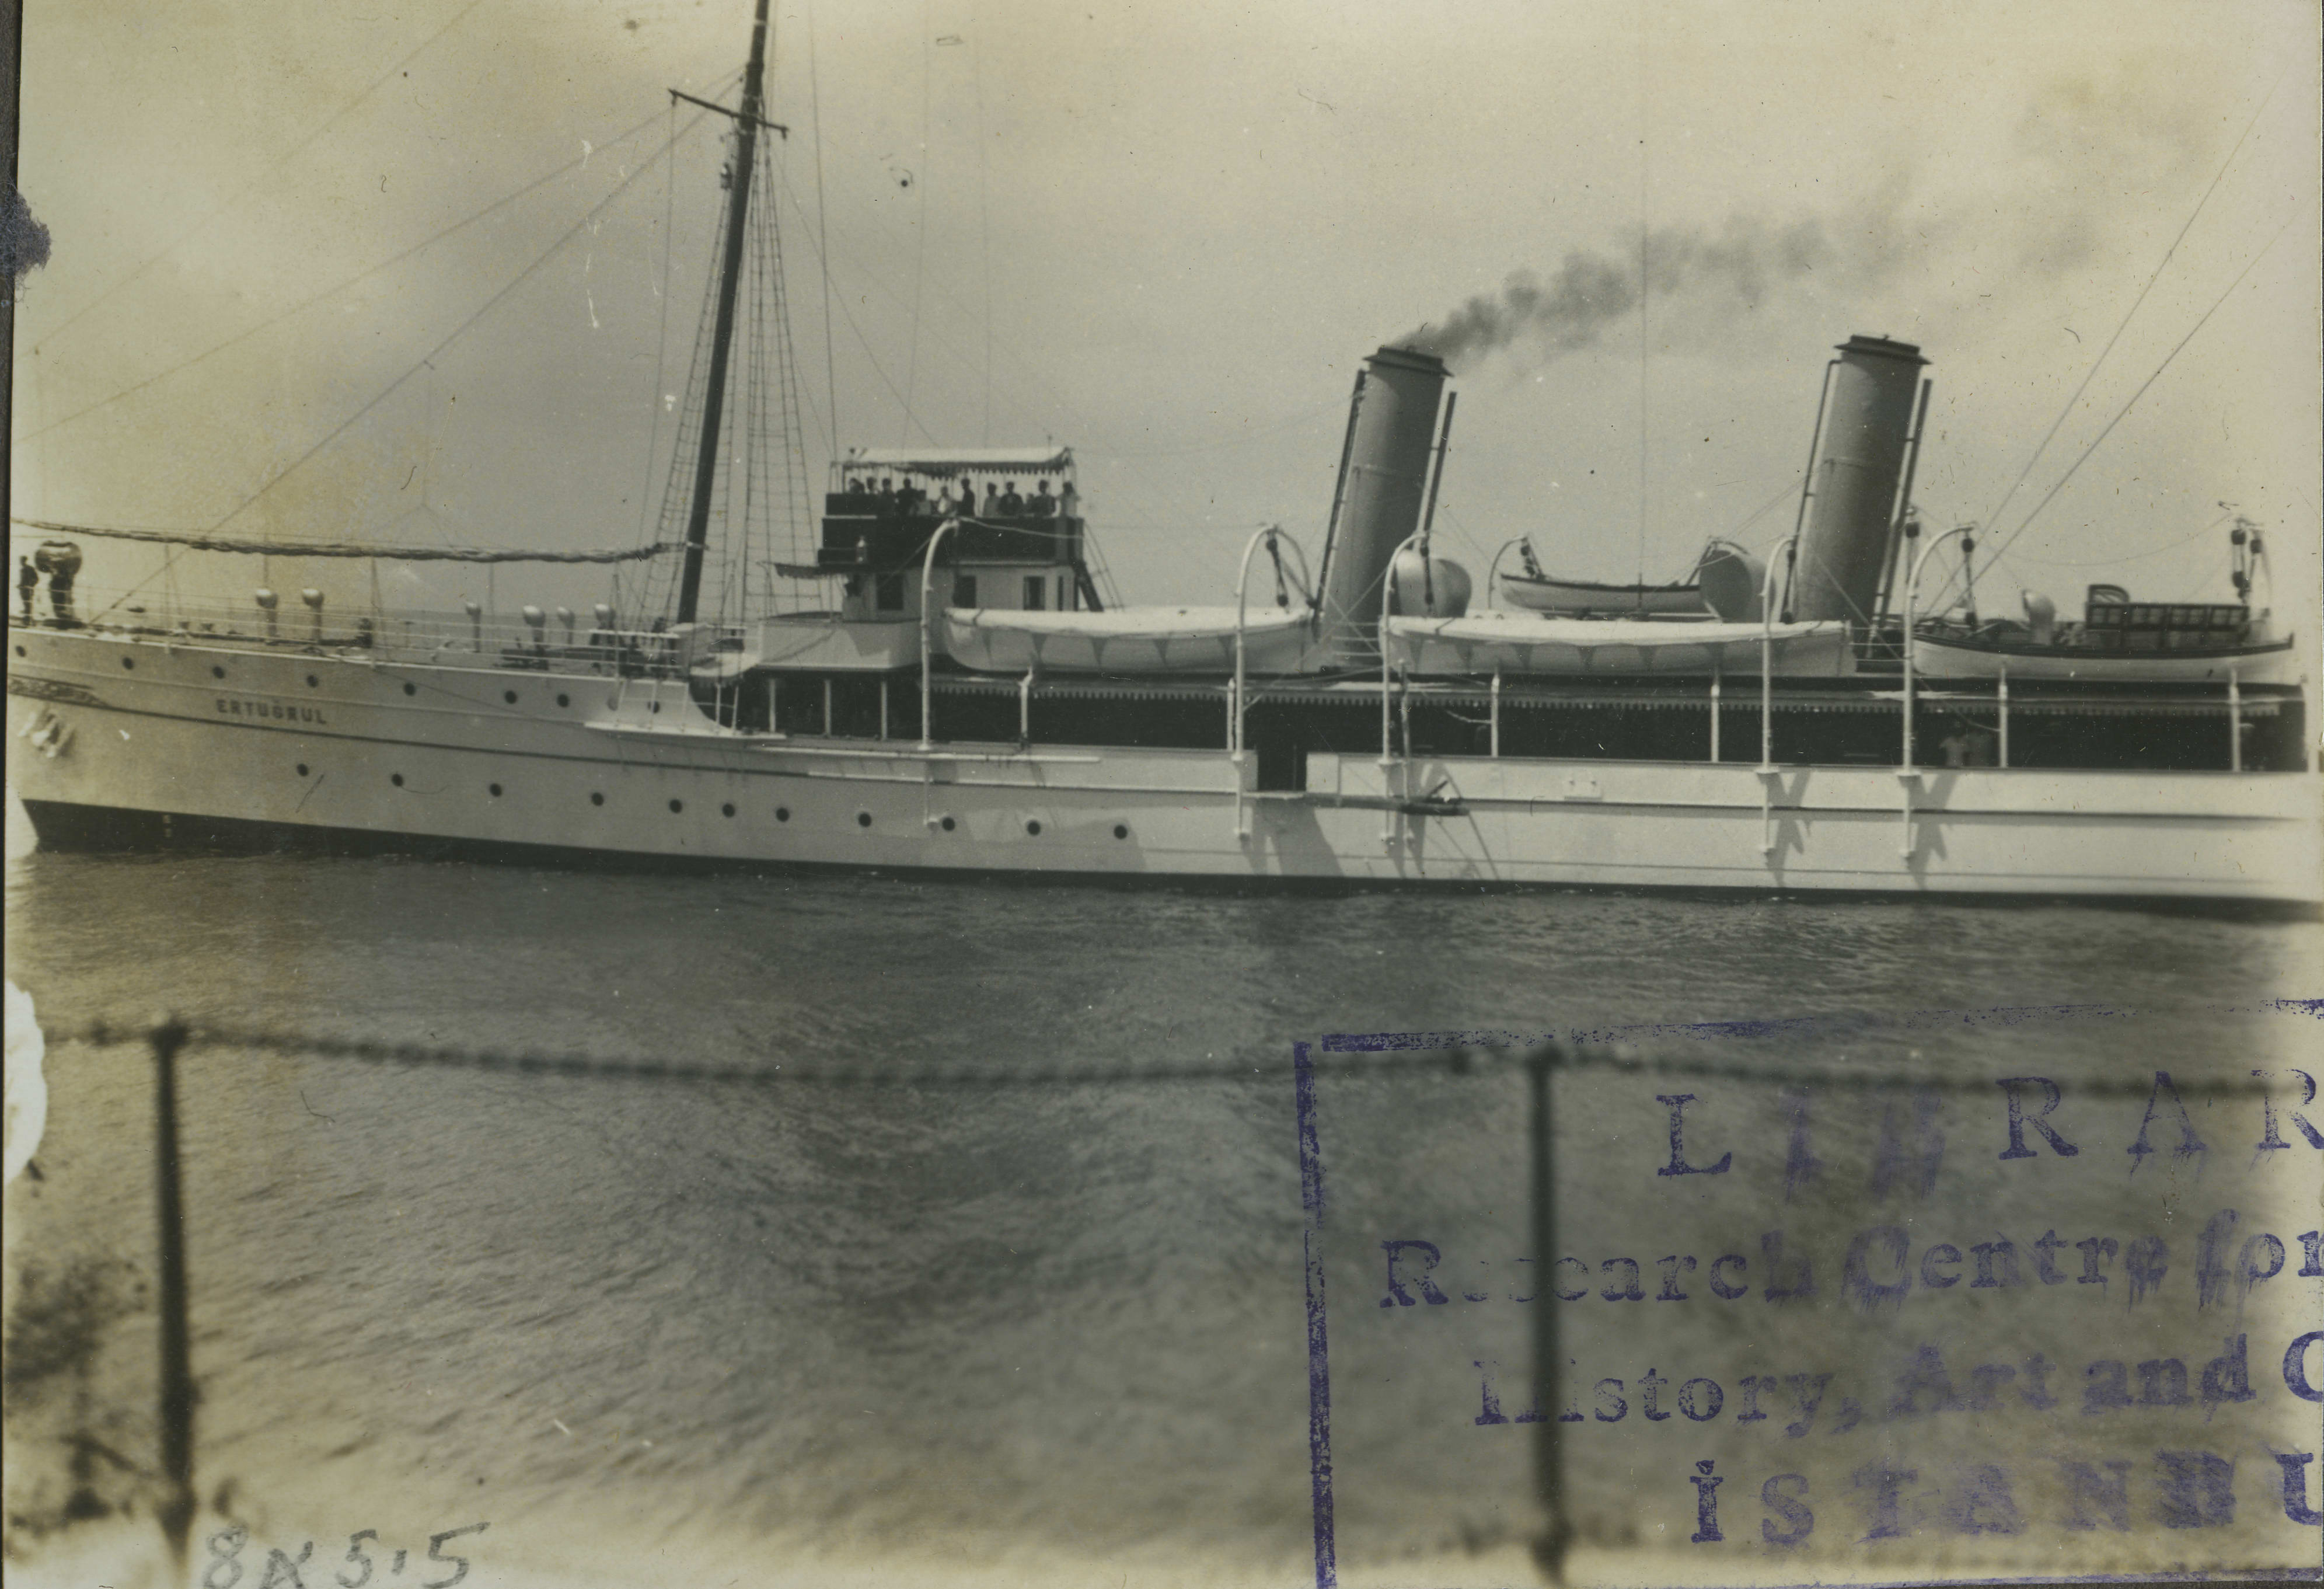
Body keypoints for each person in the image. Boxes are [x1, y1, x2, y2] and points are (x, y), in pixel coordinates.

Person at [16, 556, 34, 622]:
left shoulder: (30, 569)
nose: (21, 562)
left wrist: (30, 585)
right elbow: (22, 581)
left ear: (25, 561)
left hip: (29, 590)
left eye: (22, 561)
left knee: (28, 605)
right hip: (23, 591)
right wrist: (19, 585)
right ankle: (27, 618)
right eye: (20, 561)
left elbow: (36, 579)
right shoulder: (22, 570)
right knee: (25, 604)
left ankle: (28, 619)